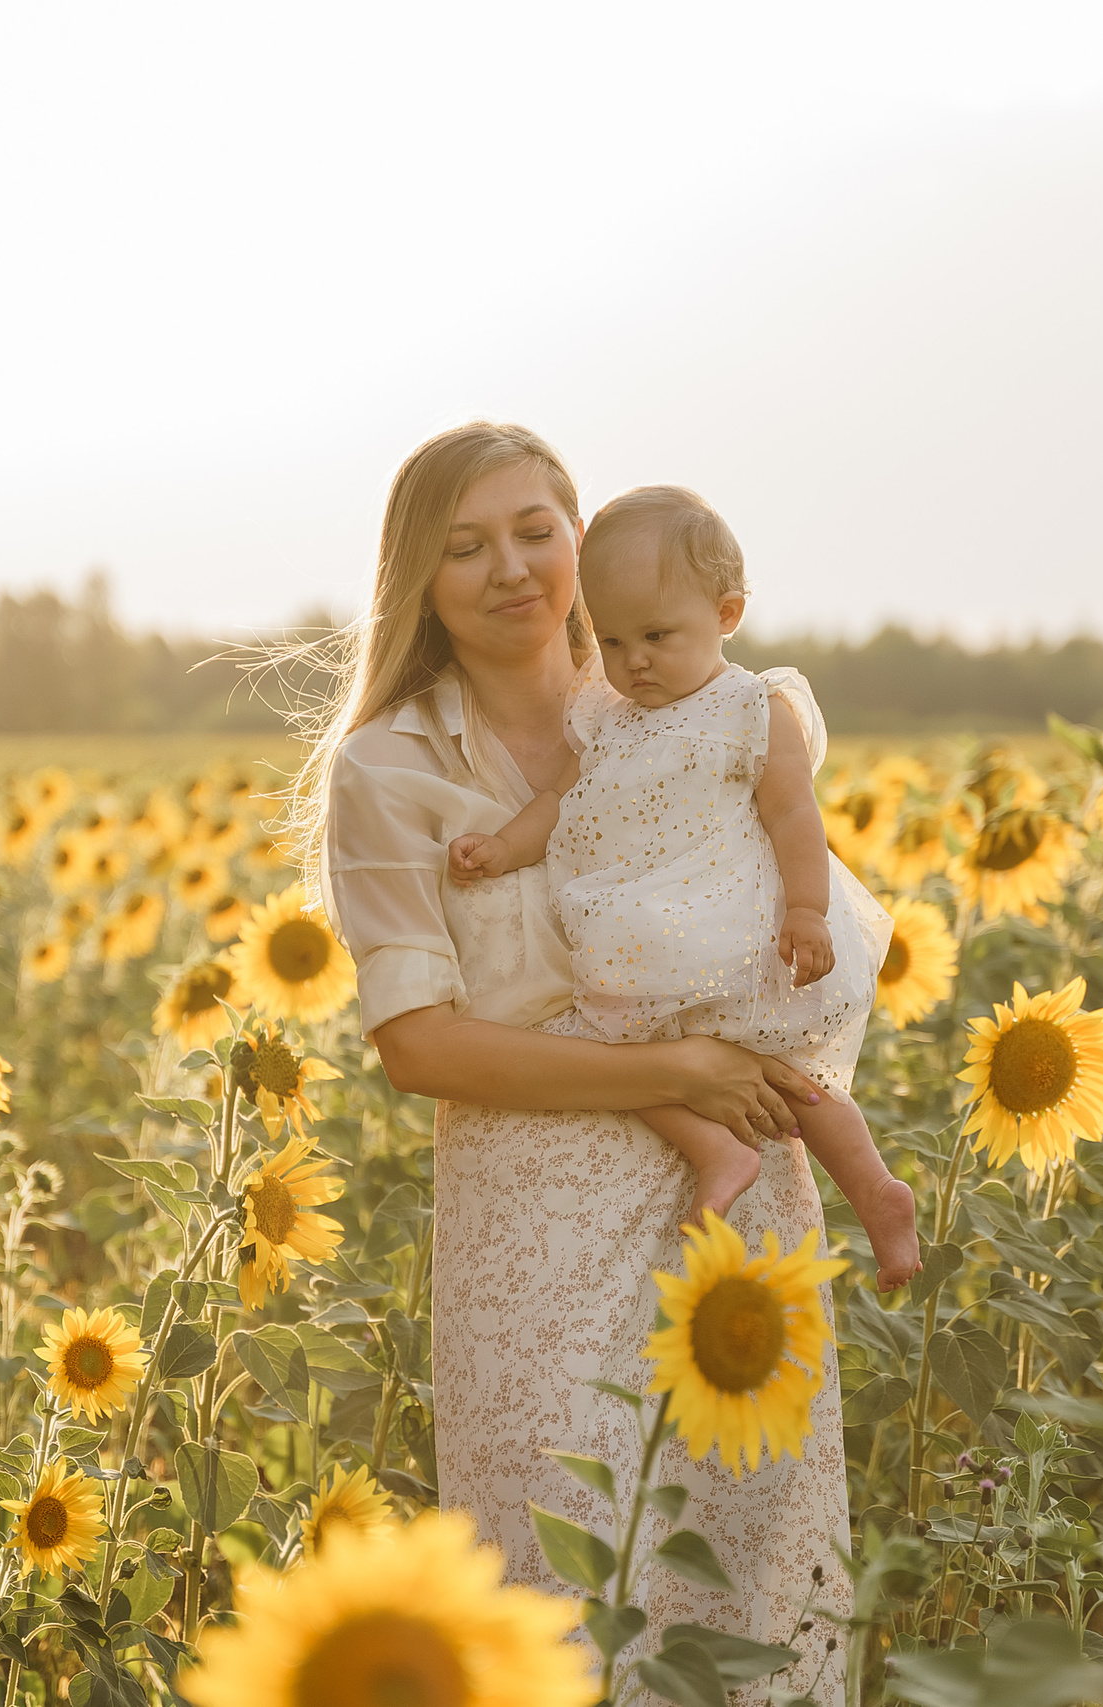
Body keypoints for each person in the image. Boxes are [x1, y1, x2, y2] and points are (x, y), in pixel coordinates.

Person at [297, 423, 852, 1690]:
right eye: (465, 547)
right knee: (557, 1596)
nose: (511, 570)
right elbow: (418, 1045)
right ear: (416, 582)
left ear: (582, 539)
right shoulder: (389, 766)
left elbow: (793, 931)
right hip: (531, 1226)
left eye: (536, 532)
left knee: (759, 1584)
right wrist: (677, 1074)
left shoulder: (696, 704)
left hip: (742, 1199)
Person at [447, 484, 921, 1289]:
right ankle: (716, 1149)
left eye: (658, 635)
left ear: (726, 612)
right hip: (641, 937)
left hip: (738, 932)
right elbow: (557, 801)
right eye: (615, 637)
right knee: (609, 1044)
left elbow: (794, 816)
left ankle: (877, 1191)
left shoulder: (751, 706)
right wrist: (502, 846)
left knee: (787, 1071)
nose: (634, 661)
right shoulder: (607, 715)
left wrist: (806, 909)